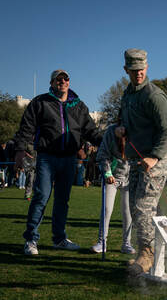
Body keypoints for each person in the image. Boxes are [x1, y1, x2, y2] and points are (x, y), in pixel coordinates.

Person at [14, 69, 102, 255]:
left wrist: (108, 143)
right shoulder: (40, 102)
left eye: (65, 78)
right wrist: (20, 151)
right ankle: (31, 239)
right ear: (52, 82)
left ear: (69, 82)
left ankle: (59, 239)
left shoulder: (78, 105)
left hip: (69, 158)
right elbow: (26, 127)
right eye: (58, 79)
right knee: (41, 197)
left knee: (63, 200)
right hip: (47, 157)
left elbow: (90, 131)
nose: (62, 81)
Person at [117, 48, 167, 275]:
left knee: (143, 208)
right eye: (133, 70)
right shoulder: (128, 95)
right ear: (126, 70)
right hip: (135, 161)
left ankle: (146, 255)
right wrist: (122, 128)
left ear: (147, 68)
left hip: (154, 161)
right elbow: (127, 120)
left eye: (141, 69)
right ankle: (151, 250)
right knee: (136, 207)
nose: (138, 73)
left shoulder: (154, 95)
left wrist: (154, 156)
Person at [90, 124, 135, 254]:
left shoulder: (135, 131)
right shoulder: (110, 132)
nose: (121, 130)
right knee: (107, 209)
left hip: (128, 178)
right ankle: (101, 242)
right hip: (112, 177)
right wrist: (107, 173)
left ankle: (127, 243)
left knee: (127, 211)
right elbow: (102, 154)